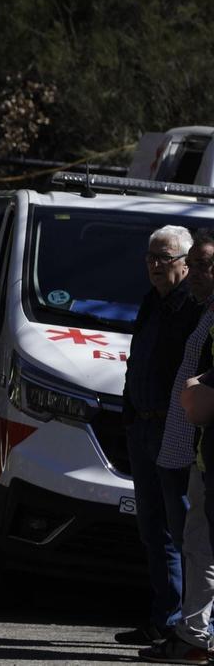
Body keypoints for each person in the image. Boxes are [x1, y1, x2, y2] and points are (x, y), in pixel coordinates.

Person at [117, 225, 204, 645]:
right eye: (150, 257)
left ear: (185, 263)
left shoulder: (196, 309)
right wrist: (129, 412)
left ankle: (187, 628)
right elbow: (138, 359)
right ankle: (162, 618)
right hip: (143, 427)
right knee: (152, 529)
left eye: (163, 258)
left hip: (176, 433)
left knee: (184, 530)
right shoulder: (152, 302)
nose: (154, 265)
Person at [140, 231, 214, 662]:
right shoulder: (201, 311)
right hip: (193, 443)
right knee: (187, 537)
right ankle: (187, 629)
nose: (200, 273)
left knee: (199, 542)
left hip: (201, 446)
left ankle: (193, 636)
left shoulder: (198, 311)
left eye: (205, 265)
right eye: (200, 264)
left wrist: (201, 386)